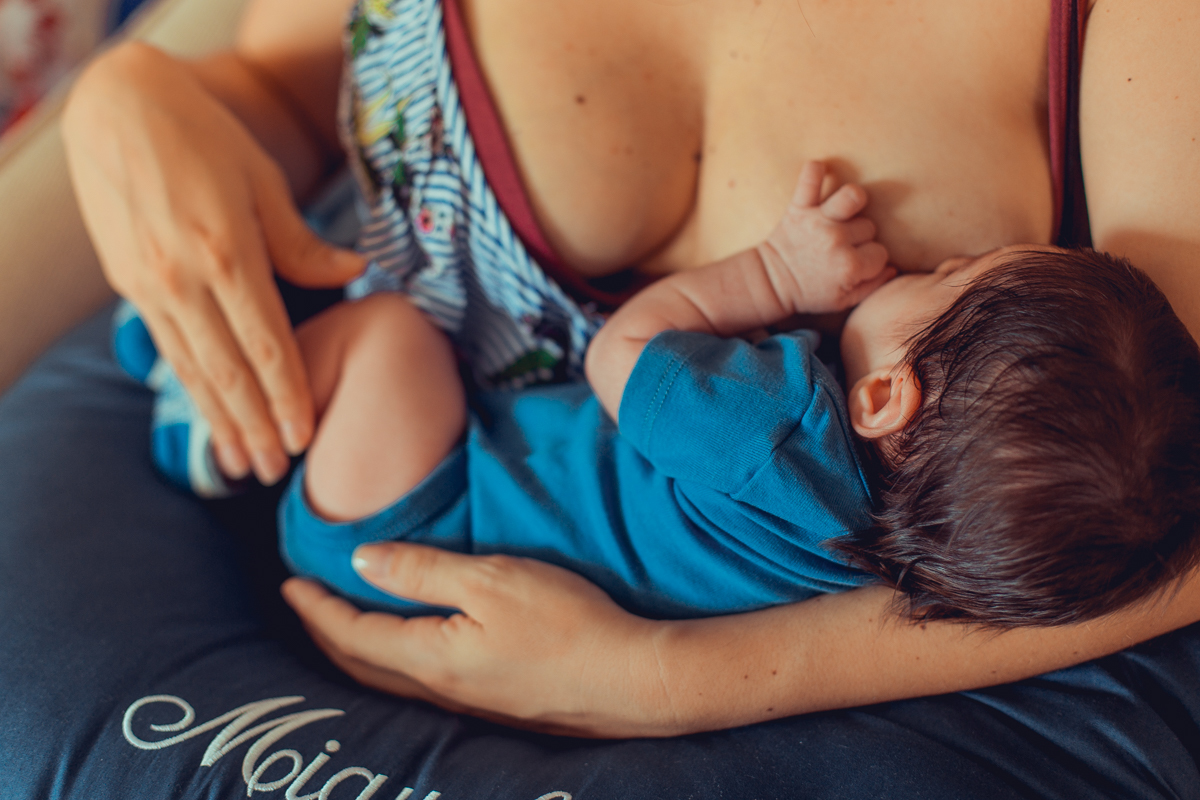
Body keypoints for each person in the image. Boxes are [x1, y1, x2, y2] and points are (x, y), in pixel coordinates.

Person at [58, 0, 1200, 738]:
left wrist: (672, 679)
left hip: (442, 537)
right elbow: (274, 91)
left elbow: (1163, 513)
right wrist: (129, 94)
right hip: (388, 504)